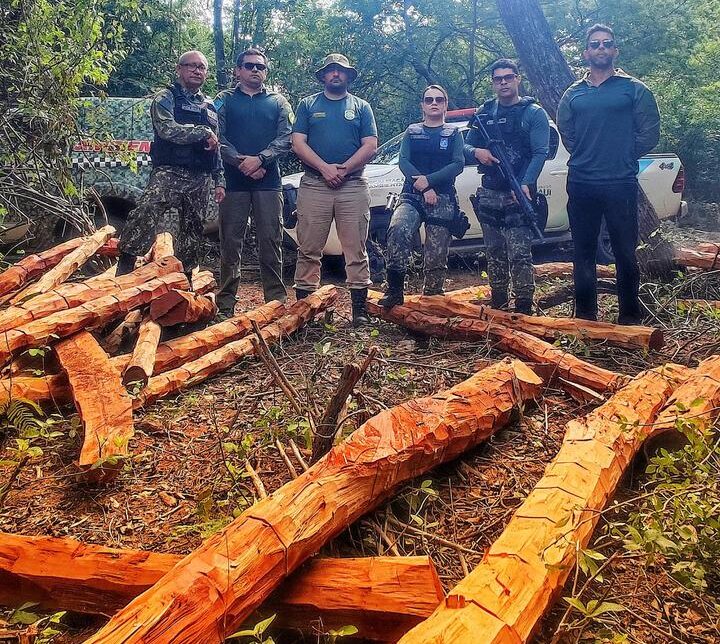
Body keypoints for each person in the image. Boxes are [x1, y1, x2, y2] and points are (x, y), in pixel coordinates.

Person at [557, 24, 660, 324]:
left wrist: (622, 154)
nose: (600, 48)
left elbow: (650, 133)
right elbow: (567, 133)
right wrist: (590, 154)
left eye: (606, 43)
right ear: (586, 52)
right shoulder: (573, 94)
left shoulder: (634, 89)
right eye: (595, 44)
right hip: (581, 182)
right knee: (583, 251)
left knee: (625, 253)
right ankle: (585, 318)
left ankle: (629, 318)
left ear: (615, 50)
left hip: (620, 183)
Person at [116, 50, 225, 277]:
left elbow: (216, 146)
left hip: (200, 176)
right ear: (179, 69)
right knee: (144, 213)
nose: (196, 70)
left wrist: (220, 180)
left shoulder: (210, 105)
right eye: (191, 65)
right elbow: (167, 130)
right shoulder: (166, 97)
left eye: (201, 67)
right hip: (169, 172)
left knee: (194, 230)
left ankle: (186, 279)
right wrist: (203, 132)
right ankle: (124, 269)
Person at [291, 53, 378, 327]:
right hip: (314, 184)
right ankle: (304, 315)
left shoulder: (361, 107)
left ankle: (359, 313)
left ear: (348, 75)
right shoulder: (307, 105)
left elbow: (370, 145)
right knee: (308, 249)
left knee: (356, 250)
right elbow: (298, 143)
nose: (336, 74)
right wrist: (325, 168)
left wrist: (344, 169)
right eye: (331, 70)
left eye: (341, 70)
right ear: (323, 76)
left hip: (353, 185)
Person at [464, 59, 550, 314]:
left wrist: (525, 183)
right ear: (493, 83)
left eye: (508, 77)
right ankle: (499, 307)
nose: (503, 82)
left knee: (520, 255)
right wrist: (478, 152)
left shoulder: (532, 112)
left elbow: (540, 152)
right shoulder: (485, 112)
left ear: (517, 79)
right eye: (498, 79)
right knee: (494, 253)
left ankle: (524, 309)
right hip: (490, 192)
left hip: (519, 193)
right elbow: (465, 146)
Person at [214, 48, 293, 316]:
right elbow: (216, 136)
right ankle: (225, 305)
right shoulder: (224, 100)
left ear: (266, 72)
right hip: (233, 182)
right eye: (249, 66)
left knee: (271, 241)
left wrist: (260, 160)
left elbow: (287, 137)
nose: (255, 70)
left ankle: (276, 303)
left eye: (260, 66)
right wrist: (241, 163)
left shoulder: (278, 102)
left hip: (268, 183)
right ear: (238, 70)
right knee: (230, 243)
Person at [379, 85, 464, 307]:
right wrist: (425, 187)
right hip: (412, 195)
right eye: (429, 100)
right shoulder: (412, 131)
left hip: (443, 198)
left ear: (445, 104)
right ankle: (395, 291)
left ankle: (432, 300)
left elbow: (458, 164)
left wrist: (431, 181)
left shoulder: (453, 133)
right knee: (398, 229)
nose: (433, 103)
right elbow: (403, 161)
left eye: (439, 99)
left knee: (436, 253)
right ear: (422, 105)